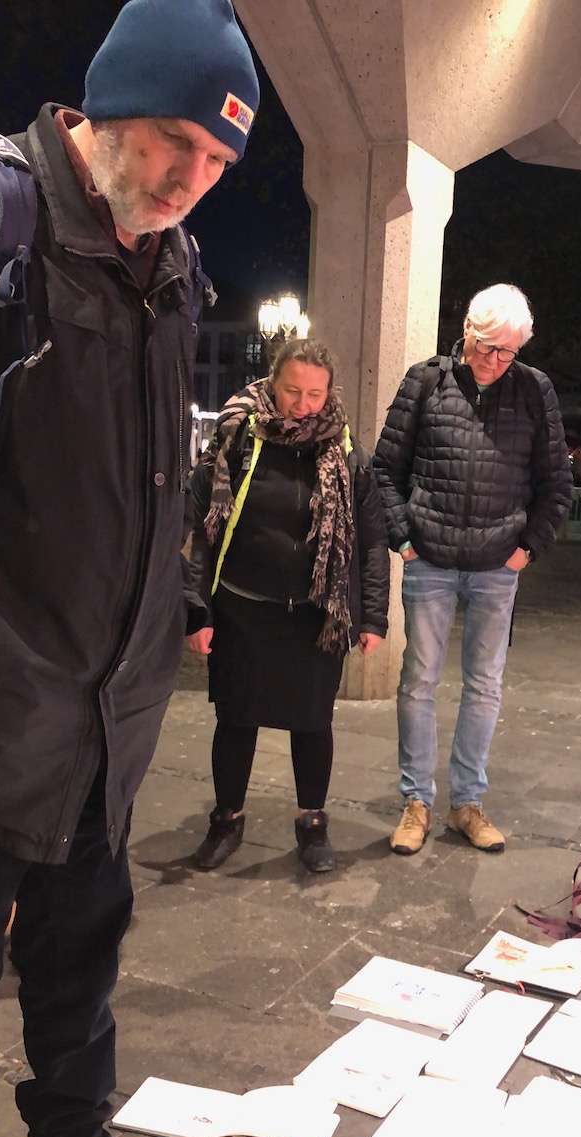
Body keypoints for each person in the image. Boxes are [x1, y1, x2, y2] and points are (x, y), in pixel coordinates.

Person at [0, 2, 260, 1137]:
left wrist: (167, 620)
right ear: (111, 102)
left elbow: (151, 482)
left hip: (107, 715)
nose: (189, 180)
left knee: (80, 959)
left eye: (218, 162)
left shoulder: (172, 265)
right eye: (178, 140)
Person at [373, 284, 574, 857]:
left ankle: (467, 803)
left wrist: (526, 549)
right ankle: (416, 801)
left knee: (485, 685)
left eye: (508, 351)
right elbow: (385, 469)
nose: (495, 360)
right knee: (418, 681)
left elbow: (557, 483)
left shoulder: (534, 390)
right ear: (466, 330)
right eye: (486, 346)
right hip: (429, 558)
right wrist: (403, 538)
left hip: (497, 565)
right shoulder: (425, 381)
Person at [186, 338, 390, 874]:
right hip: (242, 608)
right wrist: (197, 609)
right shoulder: (238, 435)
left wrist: (373, 615)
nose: (303, 405)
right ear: (272, 383)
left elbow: (372, 539)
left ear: (330, 393)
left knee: (312, 722)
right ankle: (226, 820)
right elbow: (201, 528)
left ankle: (312, 823)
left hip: (316, 616)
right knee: (235, 718)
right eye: (292, 391)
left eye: (315, 394)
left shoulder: (347, 450)